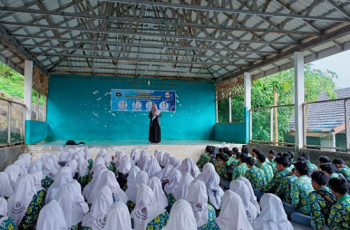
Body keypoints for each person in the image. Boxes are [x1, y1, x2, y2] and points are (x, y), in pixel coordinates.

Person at [288, 161, 314, 226]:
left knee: (283, 204)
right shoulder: (310, 180)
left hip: (303, 211)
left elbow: (295, 202)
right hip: (313, 211)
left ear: (297, 171)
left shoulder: (296, 182)